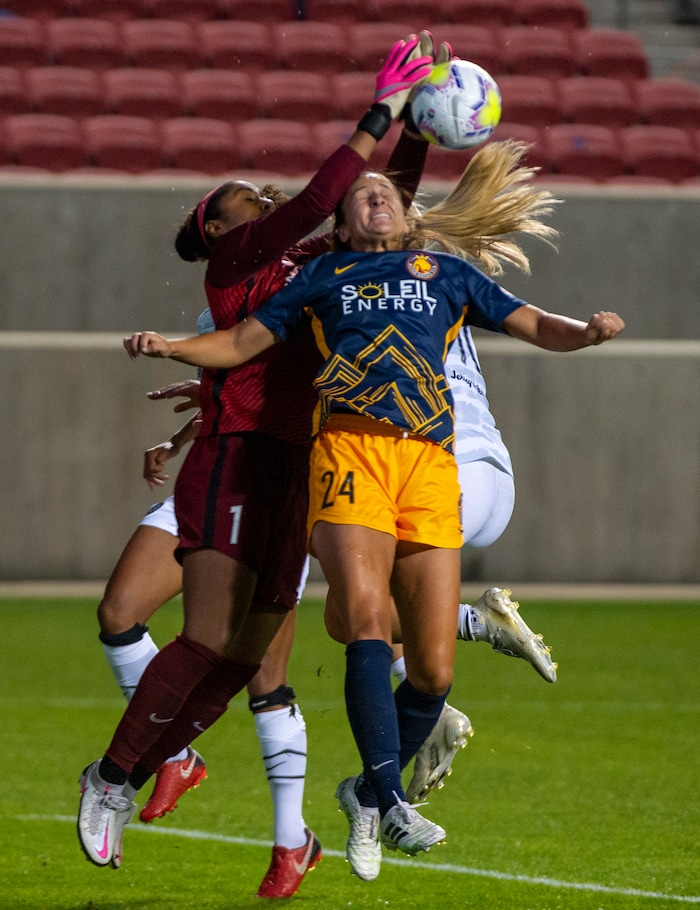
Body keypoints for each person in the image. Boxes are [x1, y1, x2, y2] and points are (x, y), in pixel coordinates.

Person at [122, 138, 625, 878]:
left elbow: (532, 322)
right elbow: (240, 347)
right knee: (357, 619)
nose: (375, 196)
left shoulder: (445, 272)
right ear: (345, 222)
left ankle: (363, 787)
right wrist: (171, 348)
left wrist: (584, 334)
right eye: (360, 195)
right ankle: (388, 799)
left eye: (386, 191)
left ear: (406, 214)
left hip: (430, 464)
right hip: (350, 453)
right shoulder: (321, 276)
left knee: (431, 670)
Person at [76, 31, 436, 897]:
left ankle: (172, 775)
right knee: (204, 637)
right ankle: (112, 777)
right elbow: (321, 196)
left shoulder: (310, 266)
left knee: (242, 663)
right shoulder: (241, 261)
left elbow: (379, 206)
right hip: (238, 459)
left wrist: (420, 126)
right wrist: (378, 110)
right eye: (242, 197)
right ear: (219, 228)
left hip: (299, 469)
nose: (258, 195)